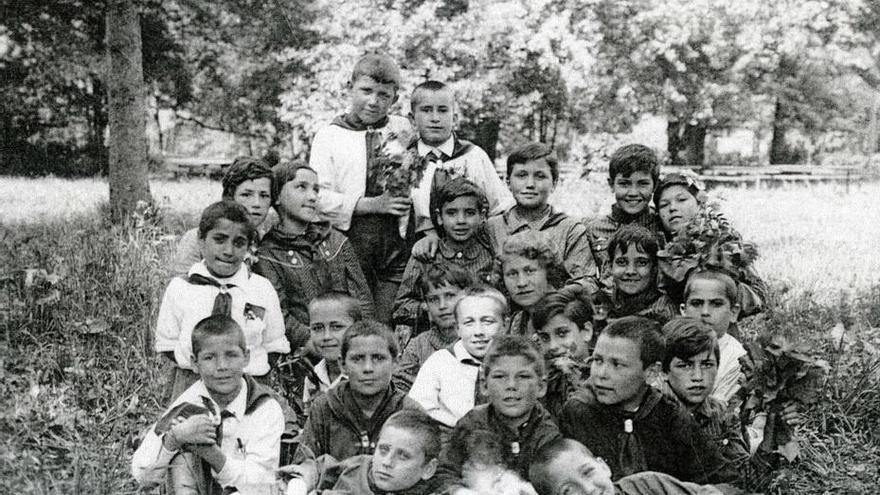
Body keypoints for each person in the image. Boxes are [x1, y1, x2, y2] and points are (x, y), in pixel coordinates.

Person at [559, 316, 733, 484]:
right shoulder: (580, 412)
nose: (602, 374)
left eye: (617, 364)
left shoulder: (669, 414)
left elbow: (719, 479)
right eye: (597, 360)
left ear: (651, 373)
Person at [308, 52, 413, 323]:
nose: (373, 101)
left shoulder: (402, 130)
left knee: (389, 317)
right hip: (349, 242)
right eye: (366, 91)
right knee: (356, 316)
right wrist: (370, 204)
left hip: (395, 244)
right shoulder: (329, 136)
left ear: (395, 98)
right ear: (349, 88)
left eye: (383, 95)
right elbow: (316, 196)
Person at [133, 315, 286, 495]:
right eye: (209, 358)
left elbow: (260, 485)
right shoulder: (188, 404)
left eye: (231, 355)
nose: (221, 366)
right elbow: (142, 474)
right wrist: (174, 439)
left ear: (246, 358)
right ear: (194, 363)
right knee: (182, 458)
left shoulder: (264, 408)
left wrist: (211, 453)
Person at [155, 201, 289, 401]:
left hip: (250, 385)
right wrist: (204, 369)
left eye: (239, 243)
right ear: (201, 240)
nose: (229, 251)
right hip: (193, 383)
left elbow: (274, 345)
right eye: (219, 240)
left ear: (248, 246)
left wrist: (243, 372)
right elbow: (167, 345)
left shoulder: (261, 288)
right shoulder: (181, 288)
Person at [284, 320, 420, 491]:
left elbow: (425, 472)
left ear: (395, 362)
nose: (368, 368)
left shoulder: (409, 412)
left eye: (378, 358)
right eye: (357, 359)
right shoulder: (325, 407)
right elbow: (306, 461)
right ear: (343, 365)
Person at [253, 162, 374, 350]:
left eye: (315, 190)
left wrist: (360, 340)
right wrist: (316, 344)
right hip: (306, 350)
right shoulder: (268, 254)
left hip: (351, 346)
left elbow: (362, 298)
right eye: (301, 187)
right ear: (276, 196)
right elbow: (280, 314)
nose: (312, 197)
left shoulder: (335, 240)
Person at [434, 335, 562, 491]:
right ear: (484, 385)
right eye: (500, 376)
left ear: (541, 386)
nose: (511, 385)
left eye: (523, 376)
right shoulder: (472, 423)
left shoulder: (547, 436)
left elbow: (551, 487)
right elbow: (444, 473)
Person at [407, 80, 514, 250]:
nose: (435, 118)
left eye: (442, 111)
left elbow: (501, 207)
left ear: (454, 118)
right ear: (412, 120)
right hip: (417, 251)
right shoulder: (403, 160)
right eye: (426, 110)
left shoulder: (473, 156)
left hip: (472, 251)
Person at [392, 178, 496, 344]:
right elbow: (401, 307)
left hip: (480, 339)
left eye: (469, 213)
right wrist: (430, 308)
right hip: (435, 342)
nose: (460, 221)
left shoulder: (489, 255)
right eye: (452, 213)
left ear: (482, 216)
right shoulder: (426, 255)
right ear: (439, 217)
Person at [487, 142, 598, 296]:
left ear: (554, 183)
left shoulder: (569, 229)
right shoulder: (493, 226)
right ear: (508, 182)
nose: (530, 184)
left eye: (540, 176)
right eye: (521, 175)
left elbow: (586, 282)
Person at [654, 172, 769, 319]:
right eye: (664, 205)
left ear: (700, 204)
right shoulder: (658, 243)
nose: (672, 208)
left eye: (681, 200)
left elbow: (760, 292)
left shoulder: (721, 237)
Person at [408, 288, 509, 437]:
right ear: (458, 328)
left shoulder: (514, 363)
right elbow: (417, 410)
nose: (478, 332)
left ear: (505, 326)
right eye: (469, 323)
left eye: (487, 322)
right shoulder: (440, 362)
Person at [661, 318, 749, 471]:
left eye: (707, 365)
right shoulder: (649, 414)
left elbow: (746, 481)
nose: (698, 376)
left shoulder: (723, 415)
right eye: (685, 365)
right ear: (664, 371)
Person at [170, 156, 275, 276]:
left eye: (264, 195)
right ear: (230, 197)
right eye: (246, 195)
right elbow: (182, 287)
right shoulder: (197, 239)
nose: (257, 203)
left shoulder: (265, 242)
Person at [297, 410, 441, 495]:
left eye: (403, 456)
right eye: (383, 450)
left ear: (428, 469)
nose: (387, 462)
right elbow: (318, 468)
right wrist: (301, 483)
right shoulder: (360, 466)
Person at [528, 438, 731, 495]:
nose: (588, 489)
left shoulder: (647, 485)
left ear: (604, 467)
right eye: (568, 492)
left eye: (588, 472)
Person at [585, 144, 664, 284]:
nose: (633, 193)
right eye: (624, 184)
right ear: (611, 185)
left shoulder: (662, 226)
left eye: (643, 184)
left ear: (655, 186)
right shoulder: (594, 230)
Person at [277, 291, 362, 420]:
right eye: (317, 328)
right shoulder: (314, 376)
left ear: (357, 328)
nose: (326, 336)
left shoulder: (366, 375)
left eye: (336, 327)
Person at [392, 263, 473, 392]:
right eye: (434, 299)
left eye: (450, 296)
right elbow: (400, 388)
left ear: (466, 297)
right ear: (426, 304)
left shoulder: (477, 340)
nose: (442, 306)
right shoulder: (418, 346)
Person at [680, 270, 747, 403]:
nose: (705, 312)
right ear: (683, 311)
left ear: (733, 312)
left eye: (716, 304)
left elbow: (717, 409)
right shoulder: (671, 345)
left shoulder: (737, 359)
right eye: (696, 304)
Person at [597, 225, 677, 326]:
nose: (630, 271)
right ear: (609, 266)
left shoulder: (662, 313)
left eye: (641, 263)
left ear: (654, 268)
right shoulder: (605, 304)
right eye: (621, 262)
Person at [531, 291, 594, 419]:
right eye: (545, 337)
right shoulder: (539, 384)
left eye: (562, 334)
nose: (553, 346)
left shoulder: (605, 378)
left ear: (586, 331)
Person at [500, 231, 568, 337]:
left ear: (549, 272)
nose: (521, 283)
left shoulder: (567, 316)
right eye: (512, 274)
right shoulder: (517, 322)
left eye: (529, 271)